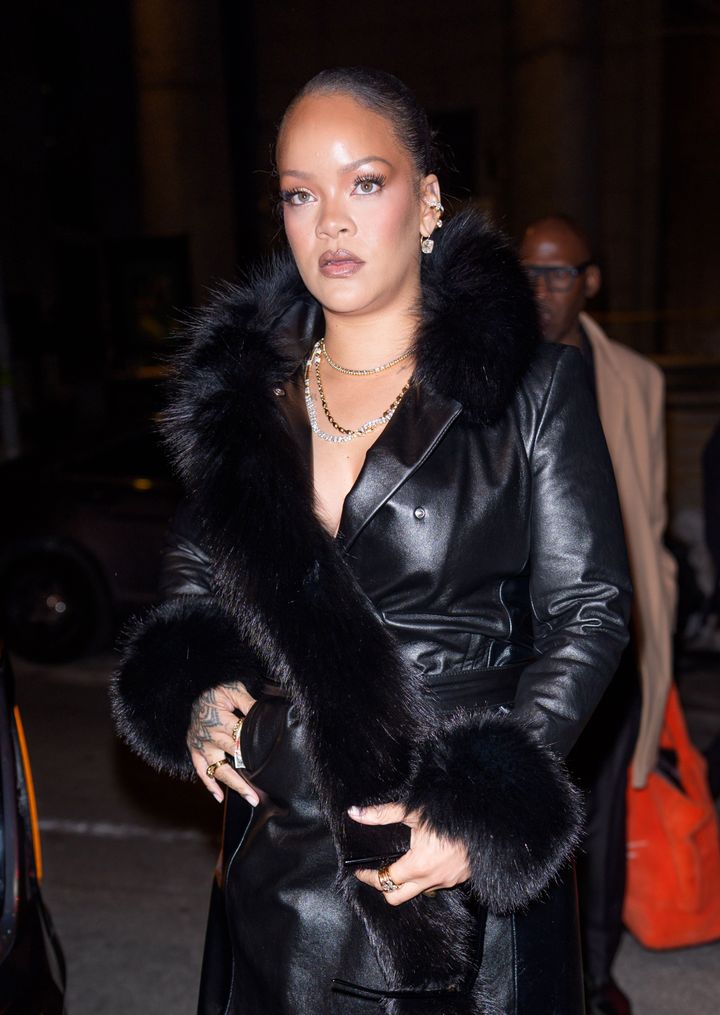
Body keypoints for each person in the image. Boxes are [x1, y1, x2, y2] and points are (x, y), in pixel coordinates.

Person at [112, 70, 631, 1015]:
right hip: (281, 857)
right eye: (300, 194)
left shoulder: (531, 388)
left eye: (364, 182)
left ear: (426, 199)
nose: (332, 222)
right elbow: (193, 577)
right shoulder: (242, 407)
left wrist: (486, 813)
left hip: (452, 849)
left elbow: (588, 610)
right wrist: (197, 690)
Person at [520, 216, 677, 1015]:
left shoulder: (637, 381)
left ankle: (594, 970)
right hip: (522, 637)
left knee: (604, 815)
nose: (539, 289)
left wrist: (659, 623)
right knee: (525, 803)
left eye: (557, 273)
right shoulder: (493, 369)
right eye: (527, 272)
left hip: (614, 630)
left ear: (590, 281)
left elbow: (650, 521)